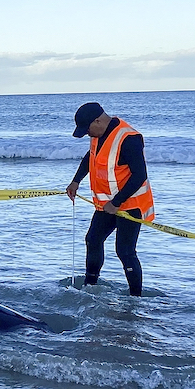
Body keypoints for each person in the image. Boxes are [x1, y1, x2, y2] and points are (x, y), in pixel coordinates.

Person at [65, 101, 154, 296]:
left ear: (97, 121)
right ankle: (90, 287)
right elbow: (91, 156)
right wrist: (76, 181)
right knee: (93, 239)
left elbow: (140, 176)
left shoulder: (129, 138)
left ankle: (135, 298)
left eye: (87, 130)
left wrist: (116, 203)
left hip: (130, 204)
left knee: (124, 251)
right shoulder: (98, 134)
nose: (87, 135)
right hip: (106, 204)